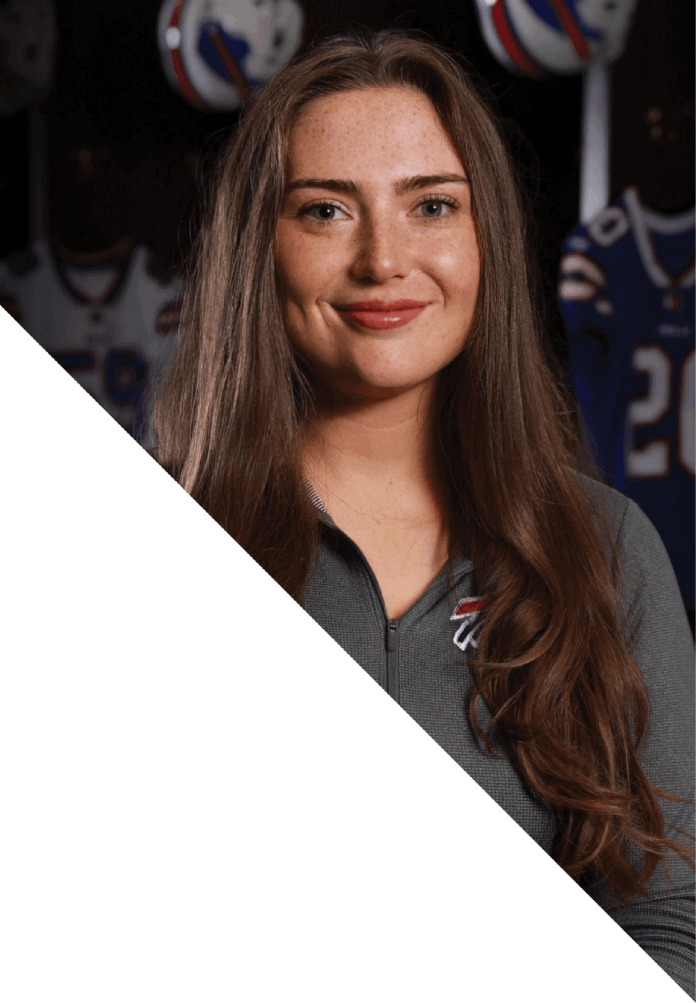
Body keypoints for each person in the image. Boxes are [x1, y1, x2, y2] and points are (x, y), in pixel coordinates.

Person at [139, 30, 696, 995]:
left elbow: (664, 911)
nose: (383, 259)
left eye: (432, 205)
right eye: (324, 210)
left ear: (488, 239)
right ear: (259, 247)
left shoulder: (607, 550)